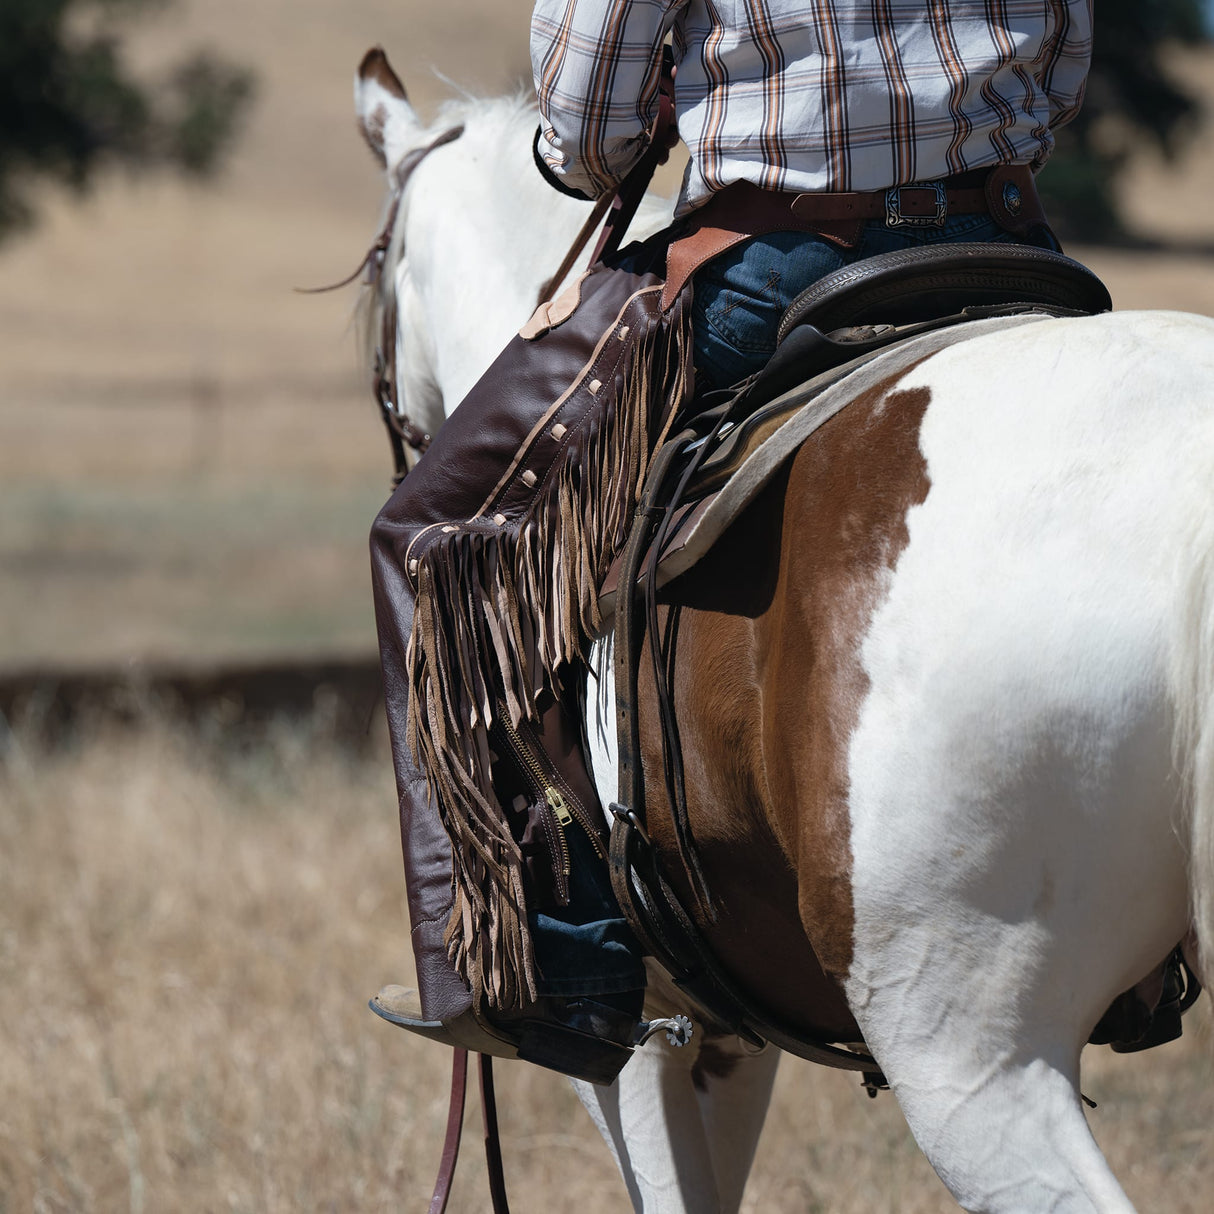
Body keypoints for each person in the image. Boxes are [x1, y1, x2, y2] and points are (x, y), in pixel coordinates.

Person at [369, 0, 1093, 1080]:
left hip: (778, 259)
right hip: (1007, 242)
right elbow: (1064, 56)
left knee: (432, 529)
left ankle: (552, 958)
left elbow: (583, 112)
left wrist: (611, 135)